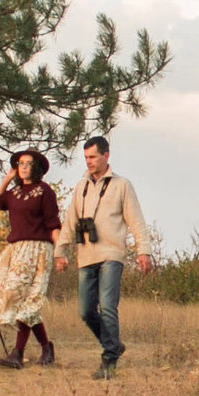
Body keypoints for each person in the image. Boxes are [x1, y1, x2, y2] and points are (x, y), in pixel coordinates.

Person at [57, 135, 150, 378]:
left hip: (112, 254)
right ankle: (114, 345)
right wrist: (60, 251)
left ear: (106, 156)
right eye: (85, 157)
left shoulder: (122, 185)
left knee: (108, 305)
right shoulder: (81, 187)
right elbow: (70, 221)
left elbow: (136, 220)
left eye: (92, 156)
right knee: (86, 311)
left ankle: (108, 360)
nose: (88, 161)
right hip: (86, 255)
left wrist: (144, 251)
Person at [0, 149, 61, 368]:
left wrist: (60, 253)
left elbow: (53, 223)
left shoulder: (44, 191)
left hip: (38, 250)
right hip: (17, 250)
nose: (23, 167)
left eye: (28, 164)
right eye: (20, 163)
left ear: (36, 167)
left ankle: (18, 353)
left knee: (25, 300)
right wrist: (8, 178)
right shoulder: (14, 193)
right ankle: (45, 348)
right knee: (20, 300)